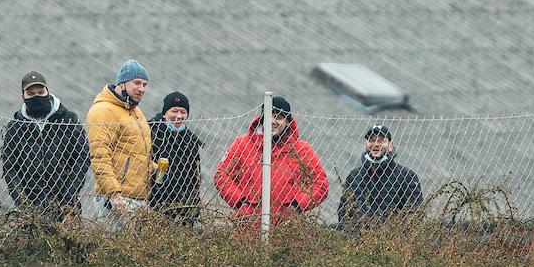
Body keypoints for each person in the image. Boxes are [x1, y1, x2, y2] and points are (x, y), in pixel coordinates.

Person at [215, 96, 328, 229]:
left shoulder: (301, 149)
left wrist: (296, 205)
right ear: (262, 118)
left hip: (286, 228)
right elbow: (222, 175)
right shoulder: (242, 144)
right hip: (247, 226)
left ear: (287, 122)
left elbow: (321, 184)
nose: (274, 121)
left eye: (279, 117)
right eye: (271, 116)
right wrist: (241, 202)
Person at [0, 71, 90, 223]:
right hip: (31, 207)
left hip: (66, 205)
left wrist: (68, 196)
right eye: (31, 93)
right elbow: (10, 167)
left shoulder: (68, 120)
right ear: (23, 97)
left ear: (48, 92)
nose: (37, 96)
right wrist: (23, 202)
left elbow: (82, 158)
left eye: (41, 92)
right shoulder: (16, 127)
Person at [87, 60, 153, 224]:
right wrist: (113, 194)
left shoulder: (135, 111)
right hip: (116, 200)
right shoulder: (104, 110)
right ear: (122, 83)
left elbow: (137, 154)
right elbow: (100, 156)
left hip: (138, 197)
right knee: (114, 248)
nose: (142, 89)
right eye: (136, 83)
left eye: (145, 84)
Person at [336, 124, 422, 230]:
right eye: (371, 140)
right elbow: (344, 211)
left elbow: (415, 213)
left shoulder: (407, 176)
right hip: (357, 241)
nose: (376, 144)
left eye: (381, 141)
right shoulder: (354, 176)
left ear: (390, 145)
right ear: (366, 144)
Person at [148, 92, 202, 225]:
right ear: (165, 112)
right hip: (155, 202)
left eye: (183, 112)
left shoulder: (190, 140)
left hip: (184, 205)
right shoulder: (151, 133)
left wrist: (194, 205)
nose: (178, 116)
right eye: (174, 111)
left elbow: (195, 176)